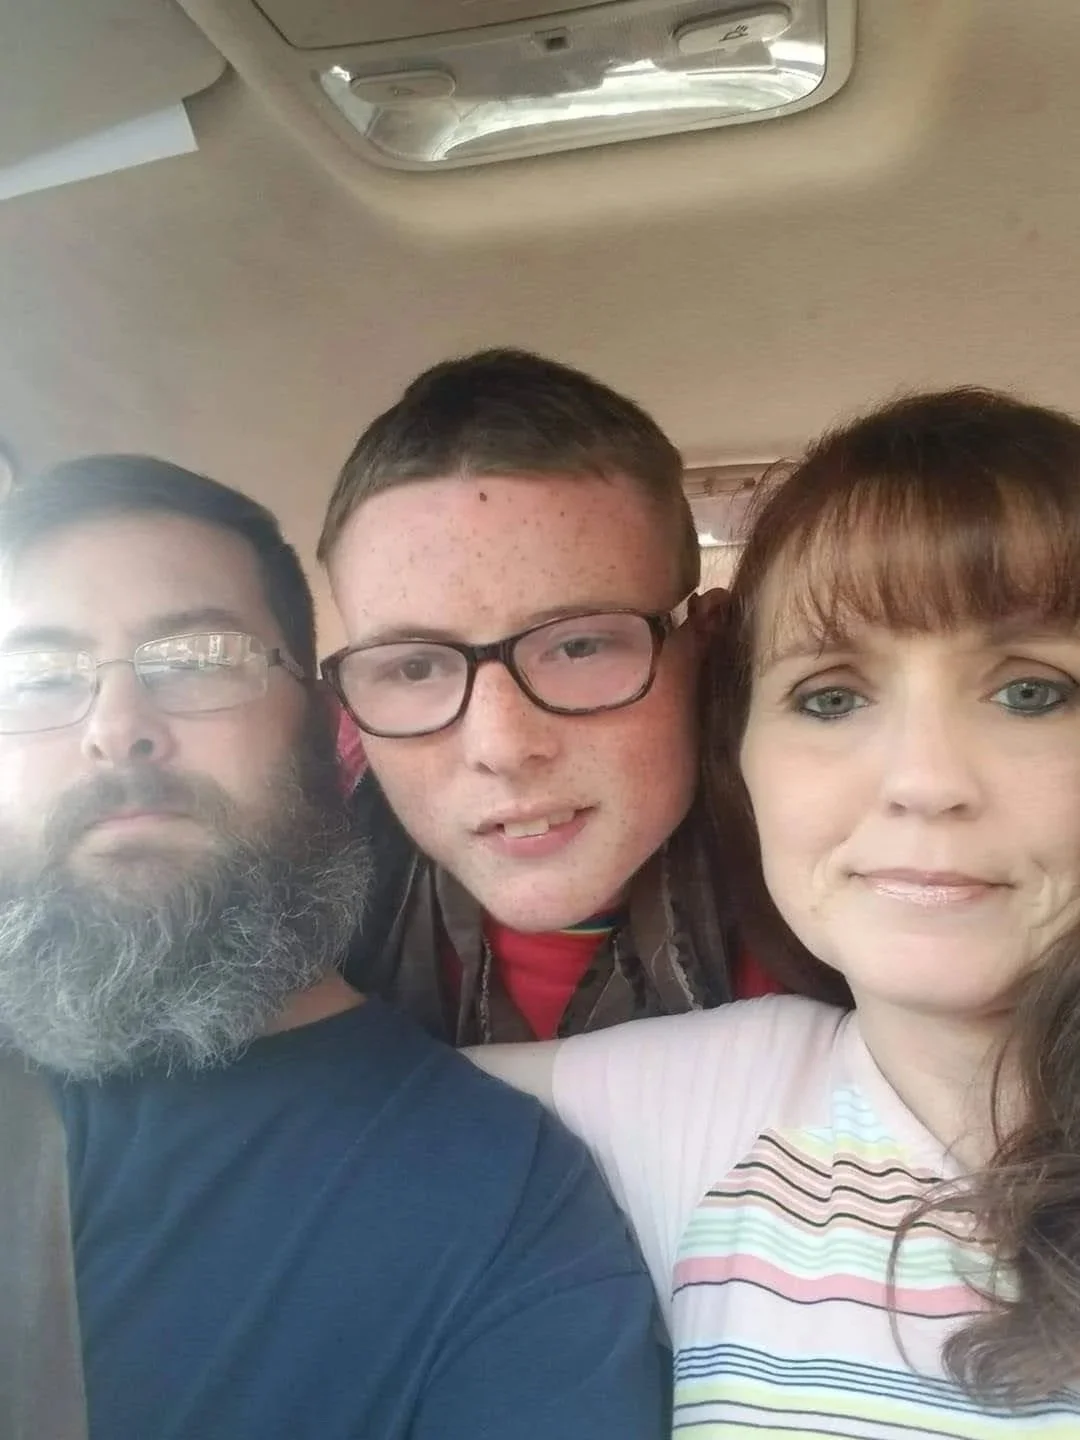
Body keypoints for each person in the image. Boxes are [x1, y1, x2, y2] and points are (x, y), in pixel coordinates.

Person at [0, 455, 667, 1440]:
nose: (117, 729)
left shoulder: (501, 1198)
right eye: (35, 678)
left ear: (321, 726)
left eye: (198, 661)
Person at [474, 388, 1080, 1434]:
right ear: (740, 760)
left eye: (1032, 691)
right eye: (831, 697)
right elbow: (322, 1101)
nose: (925, 781)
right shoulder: (714, 1104)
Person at [321, 348, 784, 1047]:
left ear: (708, 644)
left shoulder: (849, 925)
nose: (502, 748)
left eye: (578, 647)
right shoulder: (294, 944)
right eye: (415, 668)